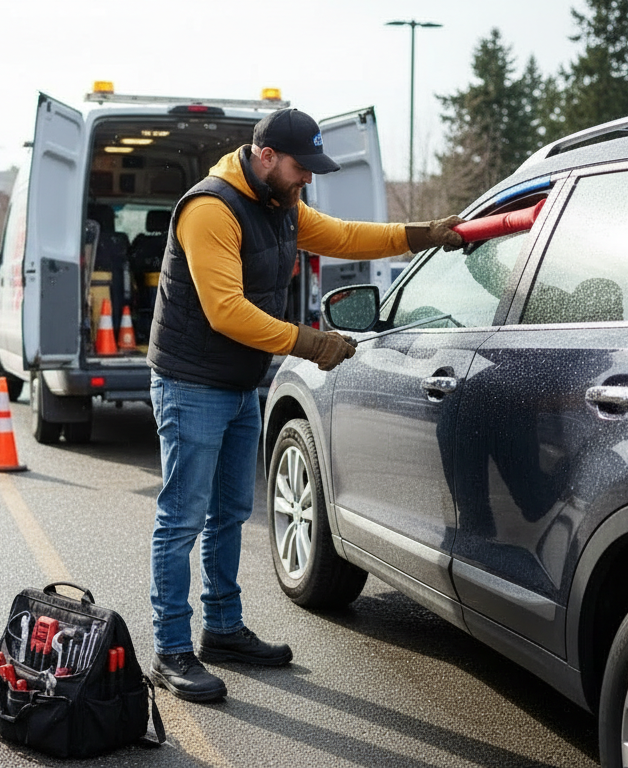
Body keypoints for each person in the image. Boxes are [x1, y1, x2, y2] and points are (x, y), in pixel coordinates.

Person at [145, 107, 465, 702]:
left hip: (239, 383)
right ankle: (171, 649)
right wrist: (310, 342)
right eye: (300, 167)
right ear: (266, 157)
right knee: (182, 518)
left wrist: (422, 234)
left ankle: (222, 630)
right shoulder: (211, 210)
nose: (307, 180)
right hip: (191, 383)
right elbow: (225, 310)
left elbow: (343, 235)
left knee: (230, 514)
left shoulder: (278, 204)